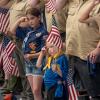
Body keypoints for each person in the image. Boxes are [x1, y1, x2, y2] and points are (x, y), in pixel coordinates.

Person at [55, 0, 100, 100]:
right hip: (73, 53)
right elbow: (56, 6)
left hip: (89, 56)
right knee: (80, 91)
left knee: (94, 92)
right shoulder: (72, 2)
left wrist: (98, 49)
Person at [12, 8, 48, 100]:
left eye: (32, 18)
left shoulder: (43, 32)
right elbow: (11, 31)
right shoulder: (27, 30)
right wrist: (19, 20)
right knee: (34, 91)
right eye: (28, 19)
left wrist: (31, 56)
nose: (30, 21)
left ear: (39, 17)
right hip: (28, 63)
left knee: (37, 90)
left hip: (38, 62)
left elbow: (45, 50)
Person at [36, 16, 68, 100]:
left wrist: (58, 70)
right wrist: (41, 54)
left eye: (53, 46)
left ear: (59, 45)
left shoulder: (62, 58)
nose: (51, 49)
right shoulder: (50, 58)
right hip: (48, 87)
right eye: (49, 47)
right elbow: (38, 65)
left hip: (57, 87)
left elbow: (65, 76)